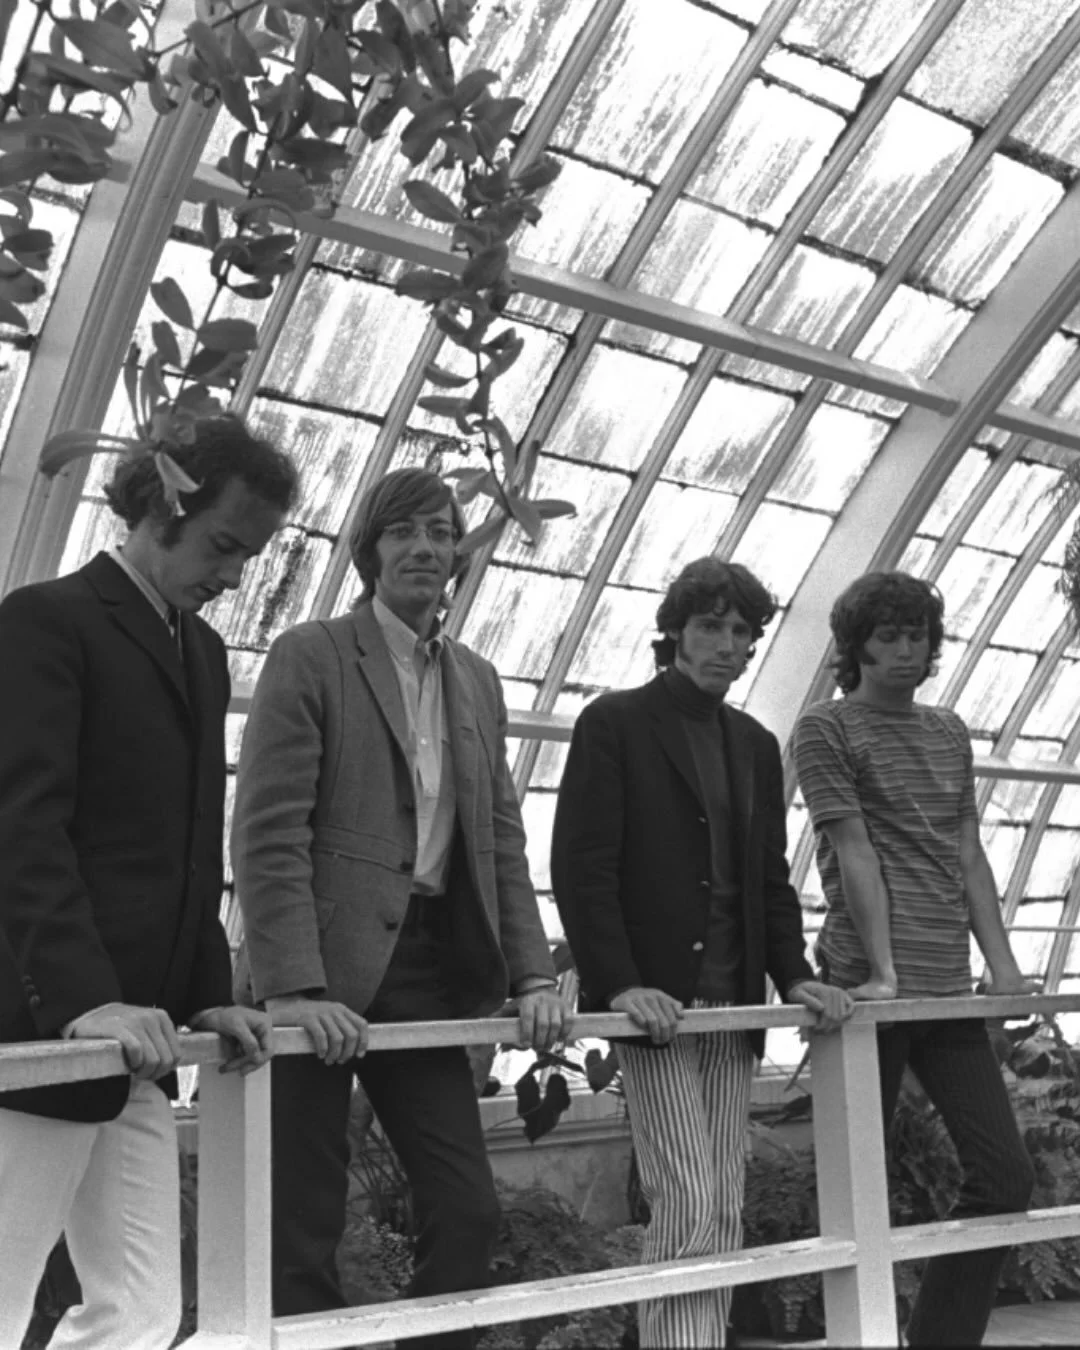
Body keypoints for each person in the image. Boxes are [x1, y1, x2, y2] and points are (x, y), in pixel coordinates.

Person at [231, 466, 571, 1348]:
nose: (424, 547)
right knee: (299, 1224)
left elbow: (499, 839)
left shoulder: (478, 680)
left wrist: (534, 973)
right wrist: (294, 988)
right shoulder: (311, 654)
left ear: (458, 554)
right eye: (402, 532)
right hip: (315, 967)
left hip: (426, 967)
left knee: (465, 1210)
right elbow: (268, 833)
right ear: (368, 550)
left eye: (441, 533)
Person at [0, 417, 299, 1349]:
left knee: (142, 1311)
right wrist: (84, 1002)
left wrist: (210, 997)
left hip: (142, 1040)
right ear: (162, 507)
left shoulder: (200, 653)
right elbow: (21, 826)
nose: (235, 574)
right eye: (223, 545)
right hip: (44, 1032)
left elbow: (188, 848)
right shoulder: (43, 622)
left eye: (249, 556)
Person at [550, 557, 852, 1349]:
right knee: (685, 1196)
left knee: (720, 1200)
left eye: (743, 632)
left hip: (735, 1005)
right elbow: (582, 869)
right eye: (711, 626)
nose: (728, 644)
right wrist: (617, 987)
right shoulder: (613, 723)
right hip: (654, 1006)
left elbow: (766, 884)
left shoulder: (753, 744)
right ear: (676, 632)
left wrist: (797, 977)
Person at [792, 570, 1036, 1347]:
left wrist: (1003, 968)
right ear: (855, 645)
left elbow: (967, 854)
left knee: (1004, 1178)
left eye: (917, 636)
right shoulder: (826, 730)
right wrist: (882, 971)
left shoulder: (948, 731)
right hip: (864, 990)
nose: (905, 651)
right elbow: (853, 849)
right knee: (858, 1195)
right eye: (888, 636)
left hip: (947, 989)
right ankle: (857, 1332)